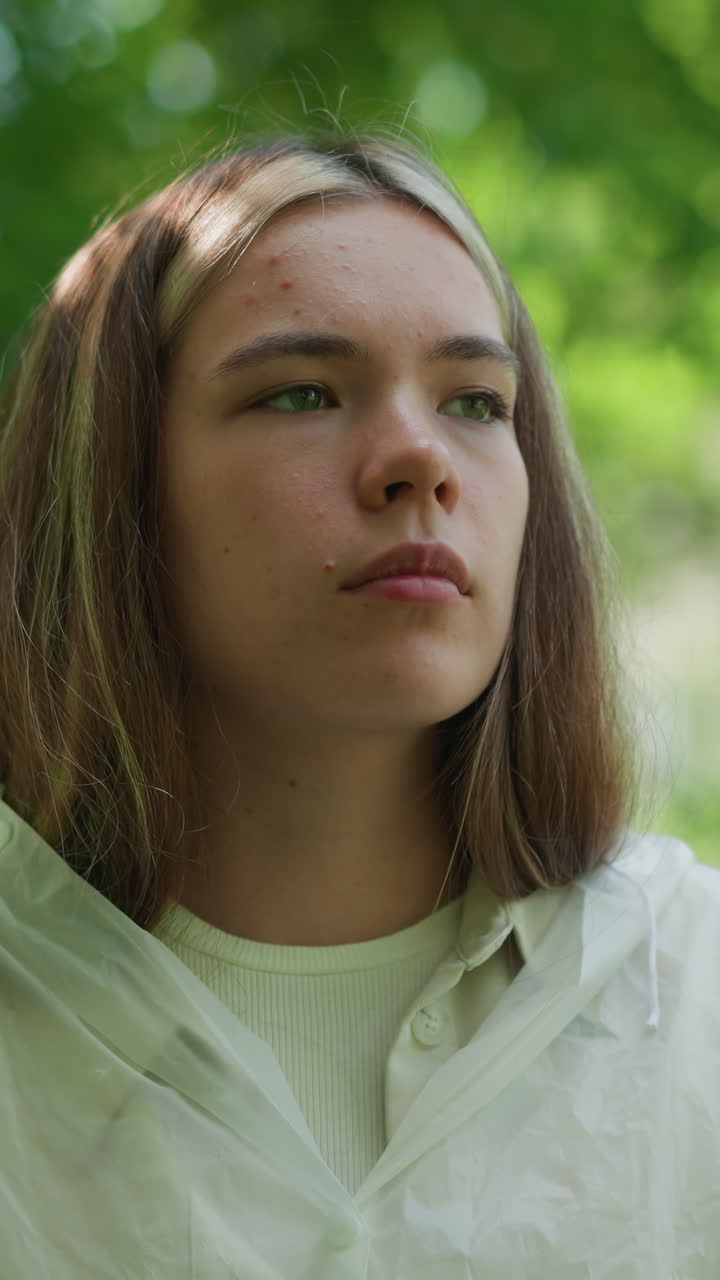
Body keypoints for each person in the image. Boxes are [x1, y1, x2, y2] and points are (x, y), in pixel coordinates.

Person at [0, 131, 718, 1278]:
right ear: (112, 484)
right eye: (300, 391)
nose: (418, 460)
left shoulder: (697, 997)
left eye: (478, 402)